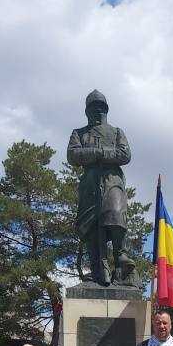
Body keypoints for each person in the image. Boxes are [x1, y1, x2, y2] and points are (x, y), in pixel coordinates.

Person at [67, 89, 135, 286]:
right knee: (91, 227)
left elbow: (124, 155)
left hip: (112, 180)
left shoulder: (116, 132)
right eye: (93, 108)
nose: (97, 112)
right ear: (87, 111)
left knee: (115, 215)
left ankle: (122, 262)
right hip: (89, 185)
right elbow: (72, 155)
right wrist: (101, 154)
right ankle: (98, 269)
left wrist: (97, 154)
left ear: (106, 110)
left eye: (100, 108)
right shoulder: (79, 133)